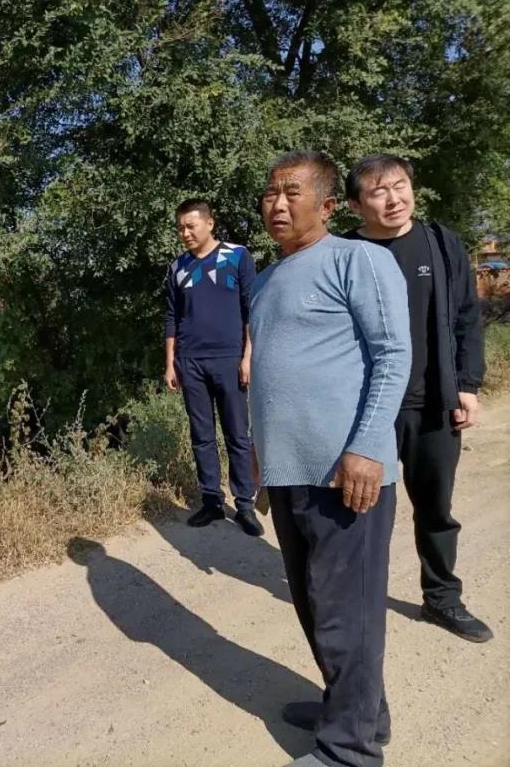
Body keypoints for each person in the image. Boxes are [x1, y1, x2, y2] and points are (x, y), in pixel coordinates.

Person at [249, 152, 410, 767]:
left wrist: (367, 446)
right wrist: (262, 461)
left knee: (348, 615)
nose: (277, 204)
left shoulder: (357, 259)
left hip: (347, 474)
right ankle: (358, 710)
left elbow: (393, 354)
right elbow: (269, 378)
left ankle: (349, 751)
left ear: (327, 205)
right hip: (290, 473)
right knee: (315, 606)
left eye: (292, 192)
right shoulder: (265, 279)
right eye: (270, 193)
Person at [344, 154, 491, 643]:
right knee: (360, 512)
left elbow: (467, 317)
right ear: (355, 204)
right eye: (378, 191)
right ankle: (357, 601)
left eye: (400, 186)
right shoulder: (344, 253)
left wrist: (467, 385)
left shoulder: (441, 243)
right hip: (367, 411)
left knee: (435, 508)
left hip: (432, 404)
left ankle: (442, 598)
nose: (394, 199)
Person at [164, 198, 262, 536]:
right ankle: (211, 501)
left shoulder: (237, 256)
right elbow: (172, 317)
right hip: (190, 361)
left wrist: (248, 356)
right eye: (180, 228)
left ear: (210, 223)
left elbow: (251, 309)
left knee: (237, 433)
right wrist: (170, 363)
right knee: (201, 435)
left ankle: (245, 504)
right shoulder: (178, 267)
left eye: (191, 226)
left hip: (229, 358)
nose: (185, 233)